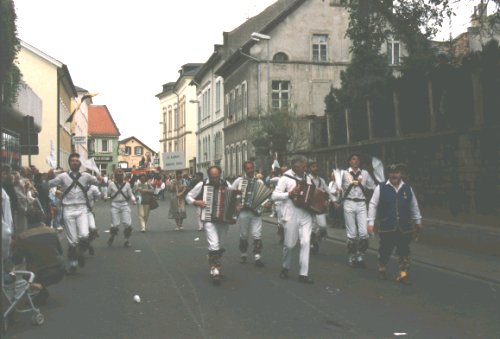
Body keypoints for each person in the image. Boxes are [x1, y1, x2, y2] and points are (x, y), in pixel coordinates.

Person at [368, 164, 423, 285]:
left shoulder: (407, 188)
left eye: (397, 172)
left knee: (404, 250)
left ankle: (403, 274)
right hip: (387, 225)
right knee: (385, 249)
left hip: (404, 226)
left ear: (400, 174)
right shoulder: (381, 188)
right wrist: (370, 223)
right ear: (389, 174)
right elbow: (373, 205)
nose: (394, 175)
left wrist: (418, 221)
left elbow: (414, 205)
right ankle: (382, 268)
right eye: (392, 173)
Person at [49, 153, 100, 274]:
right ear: (69, 163)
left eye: (77, 160)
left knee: (84, 235)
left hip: (82, 208)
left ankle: (80, 253)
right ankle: (73, 264)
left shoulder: (86, 176)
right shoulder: (62, 176)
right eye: (72, 160)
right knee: (72, 241)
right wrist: (50, 175)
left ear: (80, 163)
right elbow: (50, 184)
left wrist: (99, 177)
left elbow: (98, 182)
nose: (75, 162)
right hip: (68, 209)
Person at [272, 157, 314, 284]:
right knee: (289, 245)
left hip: (306, 213)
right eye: (303, 166)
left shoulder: (308, 178)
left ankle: (303, 274)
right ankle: (285, 267)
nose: (305, 169)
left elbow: (312, 193)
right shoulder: (285, 178)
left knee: (306, 243)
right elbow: (274, 196)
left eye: (305, 166)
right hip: (291, 213)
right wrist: (289, 194)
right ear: (295, 167)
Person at [186, 166, 231, 284]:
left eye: (217, 177)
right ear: (208, 176)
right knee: (214, 244)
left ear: (220, 175)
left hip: (223, 220)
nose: (215, 180)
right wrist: (196, 202)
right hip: (209, 218)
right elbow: (188, 197)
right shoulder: (202, 184)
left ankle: (214, 265)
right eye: (212, 177)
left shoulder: (226, 183)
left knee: (220, 245)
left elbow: (235, 197)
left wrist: (236, 206)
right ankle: (215, 270)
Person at [11, 208, 64, 306]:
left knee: (19, 270)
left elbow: (16, 260)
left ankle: (39, 289)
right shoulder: (51, 231)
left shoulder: (23, 237)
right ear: (41, 218)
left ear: (27, 219)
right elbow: (60, 251)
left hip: (38, 275)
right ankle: (41, 291)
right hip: (59, 270)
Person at [341, 154, 376, 268]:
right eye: (353, 159)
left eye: (357, 159)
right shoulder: (344, 173)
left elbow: (373, 187)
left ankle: (360, 255)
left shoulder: (365, 173)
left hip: (361, 203)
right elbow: (336, 186)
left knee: (364, 234)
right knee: (352, 234)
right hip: (349, 203)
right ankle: (352, 257)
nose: (355, 161)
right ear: (349, 161)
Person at [231, 160, 265, 267]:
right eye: (248, 168)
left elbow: (264, 196)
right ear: (244, 169)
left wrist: (265, 204)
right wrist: (237, 203)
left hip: (256, 212)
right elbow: (231, 193)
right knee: (244, 234)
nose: (250, 170)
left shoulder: (260, 182)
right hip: (244, 212)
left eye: (251, 168)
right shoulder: (239, 181)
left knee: (257, 234)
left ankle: (257, 257)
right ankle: (243, 254)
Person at [308, 160, 334, 255]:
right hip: (309, 207)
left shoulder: (321, 180)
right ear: (309, 168)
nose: (316, 168)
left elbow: (328, 191)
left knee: (322, 227)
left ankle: (316, 241)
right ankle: (312, 243)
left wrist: (333, 201)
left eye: (316, 166)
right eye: (313, 167)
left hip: (319, 206)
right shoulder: (306, 179)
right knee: (311, 228)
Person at [107, 169, 136, 247]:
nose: (119, 176)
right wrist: (105, 197)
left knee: (127, 223)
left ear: (123, 176)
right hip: (115, 205)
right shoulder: (111, 184)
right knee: (115, 224)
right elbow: (108, 193)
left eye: (121, 175)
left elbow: (130, 194)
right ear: (115, 176)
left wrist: (133, 200)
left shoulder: (127, 184)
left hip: (124, 204)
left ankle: (127, 240)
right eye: (118, 175)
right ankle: (112, 237)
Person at [87, 182, 101, 255]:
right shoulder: (76, 187)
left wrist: (95, 199)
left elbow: (98, 196)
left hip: (89, 212)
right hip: (78, 211)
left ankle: (89, 244)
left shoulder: (93, 188)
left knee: (92, 228)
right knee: (80, 232)